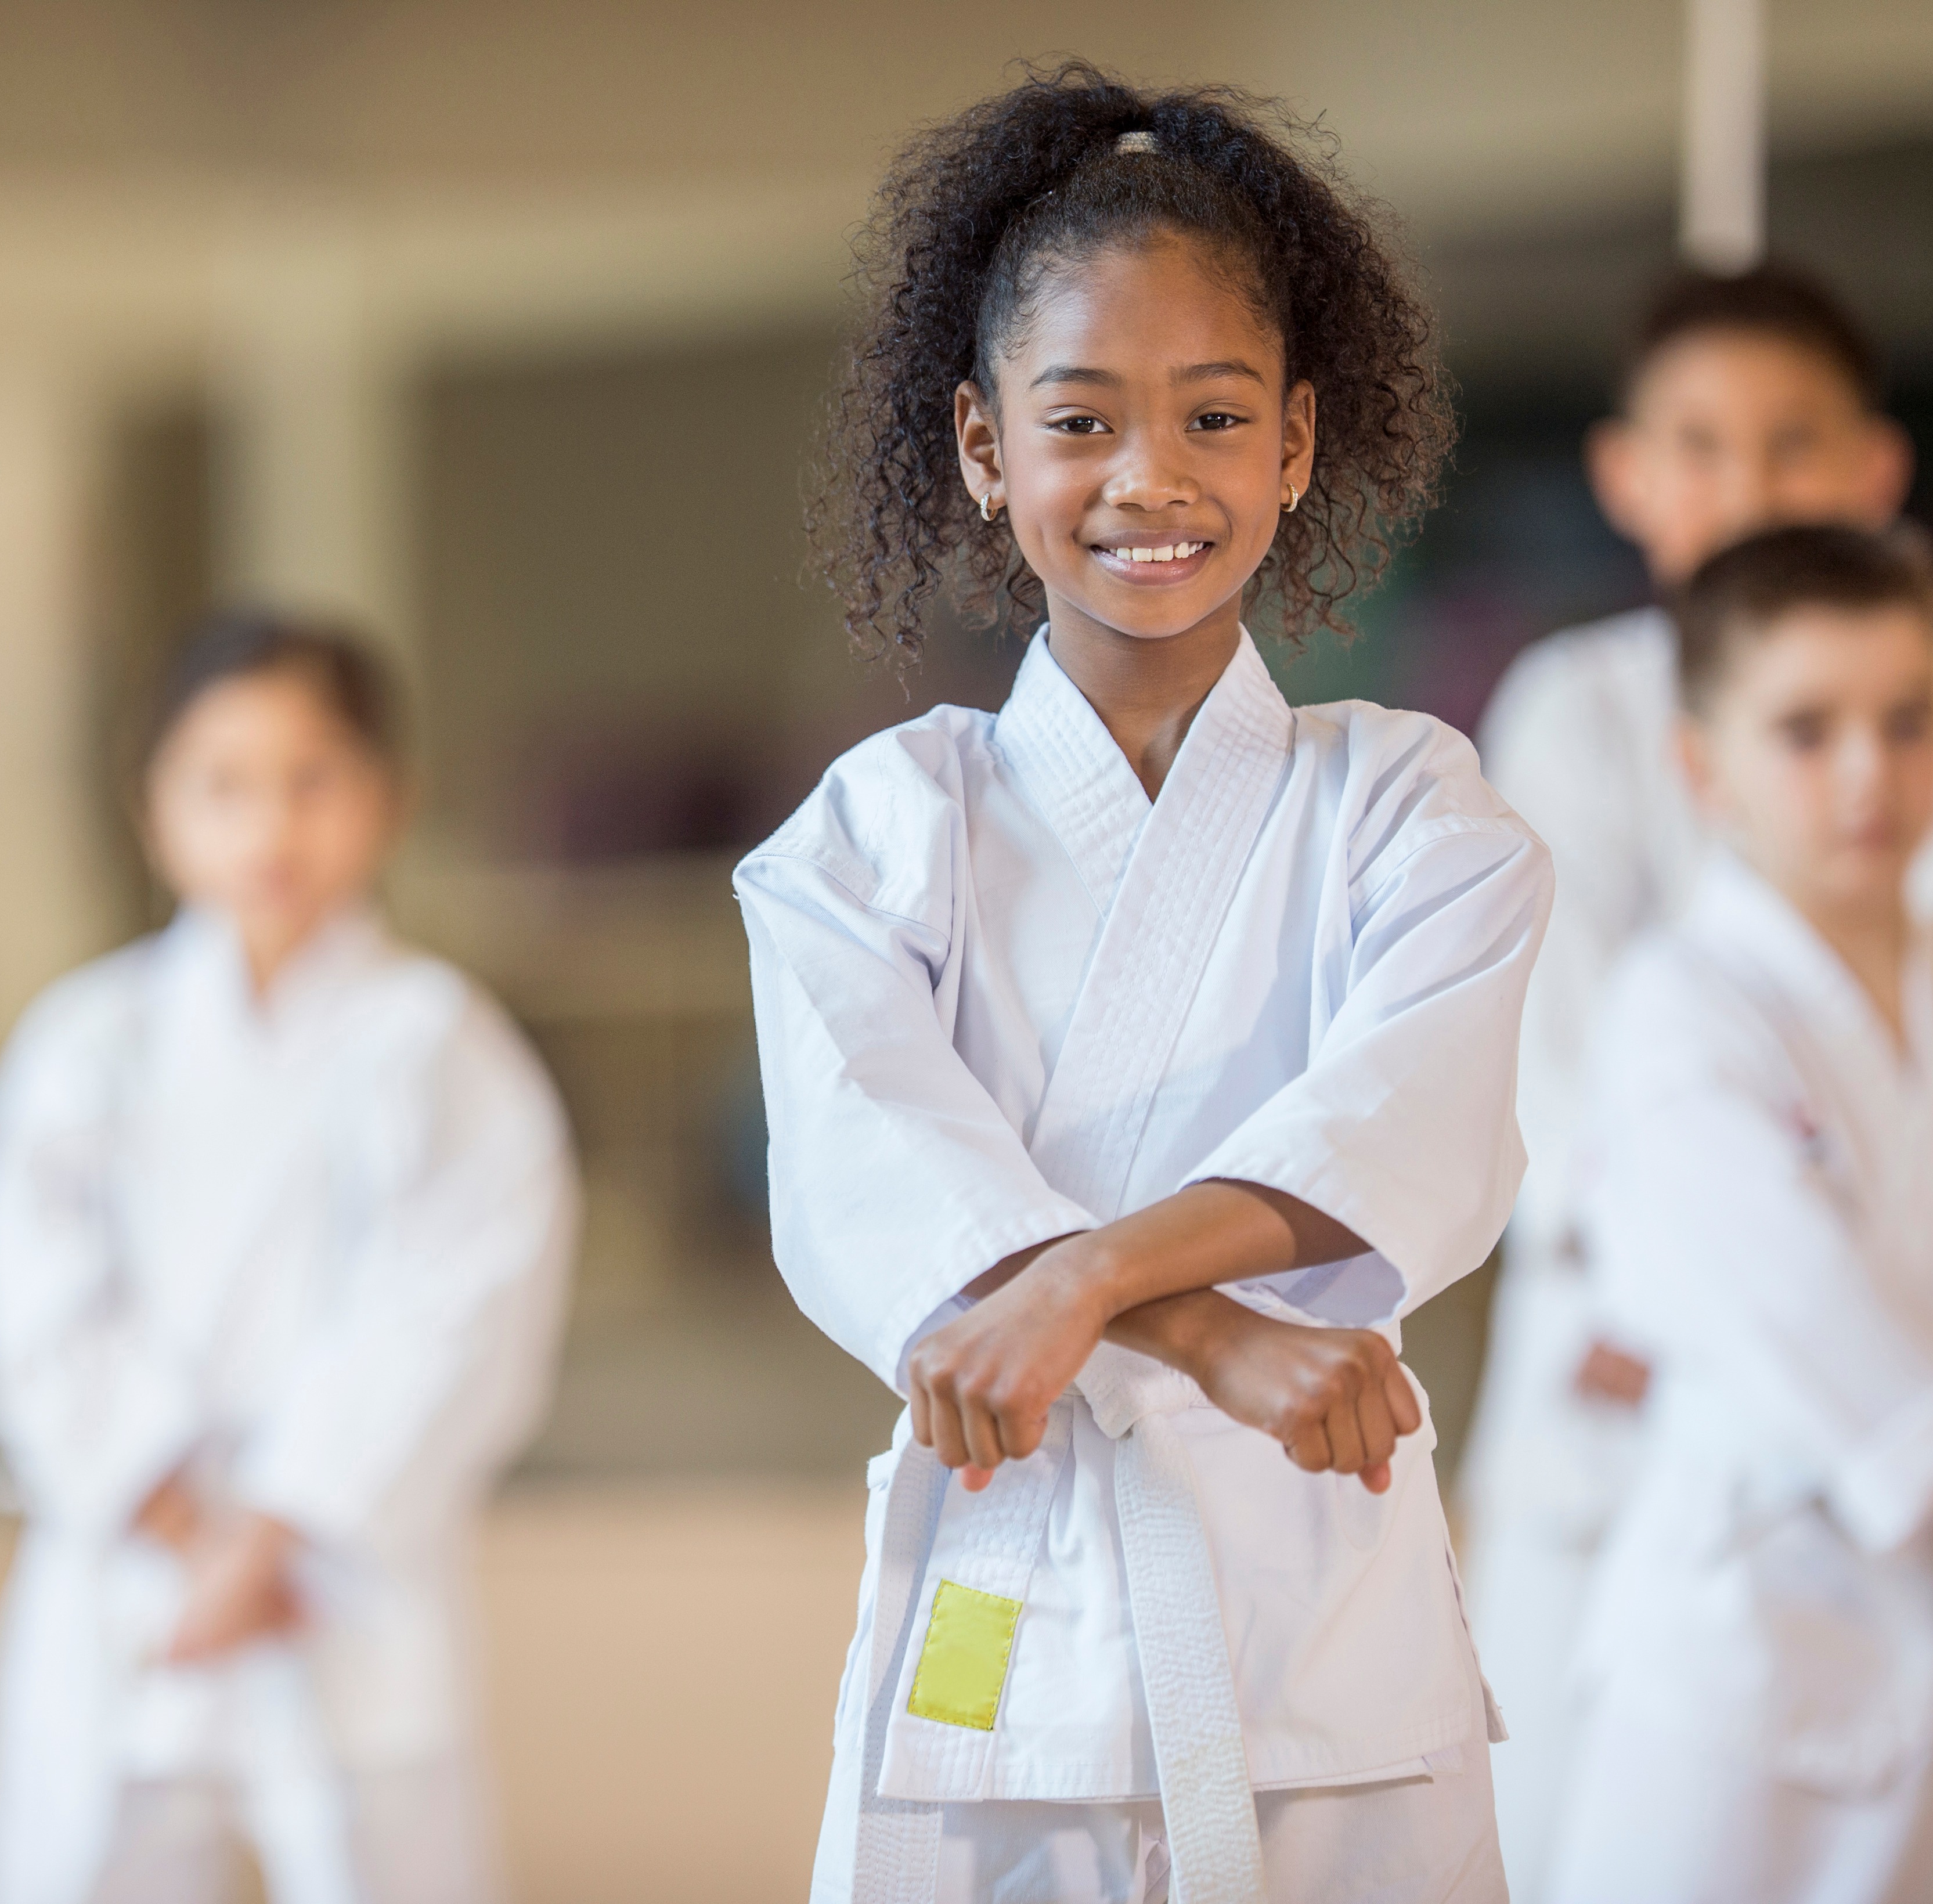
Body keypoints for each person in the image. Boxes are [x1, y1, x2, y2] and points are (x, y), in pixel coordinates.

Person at [740, 64, 1546, 1904]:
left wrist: (1093, 1274)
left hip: (1322, 1602)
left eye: (1209, 416)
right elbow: (879, 1183)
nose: (1147, 481)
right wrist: (1208, 1331)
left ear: (1292, 443)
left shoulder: (1410, 804)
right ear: (978, 445)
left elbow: (1406, 1127)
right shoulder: (875, 829)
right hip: (1000, 1593)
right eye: (1080, 419)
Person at [1457, 264, 1933, 1898]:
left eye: (1794, 445)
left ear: (1875, 472)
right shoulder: (1581, 721)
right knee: (1573, 1831)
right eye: (1703, 446)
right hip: (1659, 1394)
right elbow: (1590, 1115)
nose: (1870, 772)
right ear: (1630, 475)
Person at [0, 614, 576, 1904]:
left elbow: (459, 1306)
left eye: (314, 777)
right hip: (131, 1557)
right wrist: (185, 1519)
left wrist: (278, 1527)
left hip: (341, 1570)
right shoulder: (88, 1039)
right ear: (153, 812)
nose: (272, 824)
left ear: (388, 797)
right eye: (222, 783)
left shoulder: (438, 1043)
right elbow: (32, 1298)